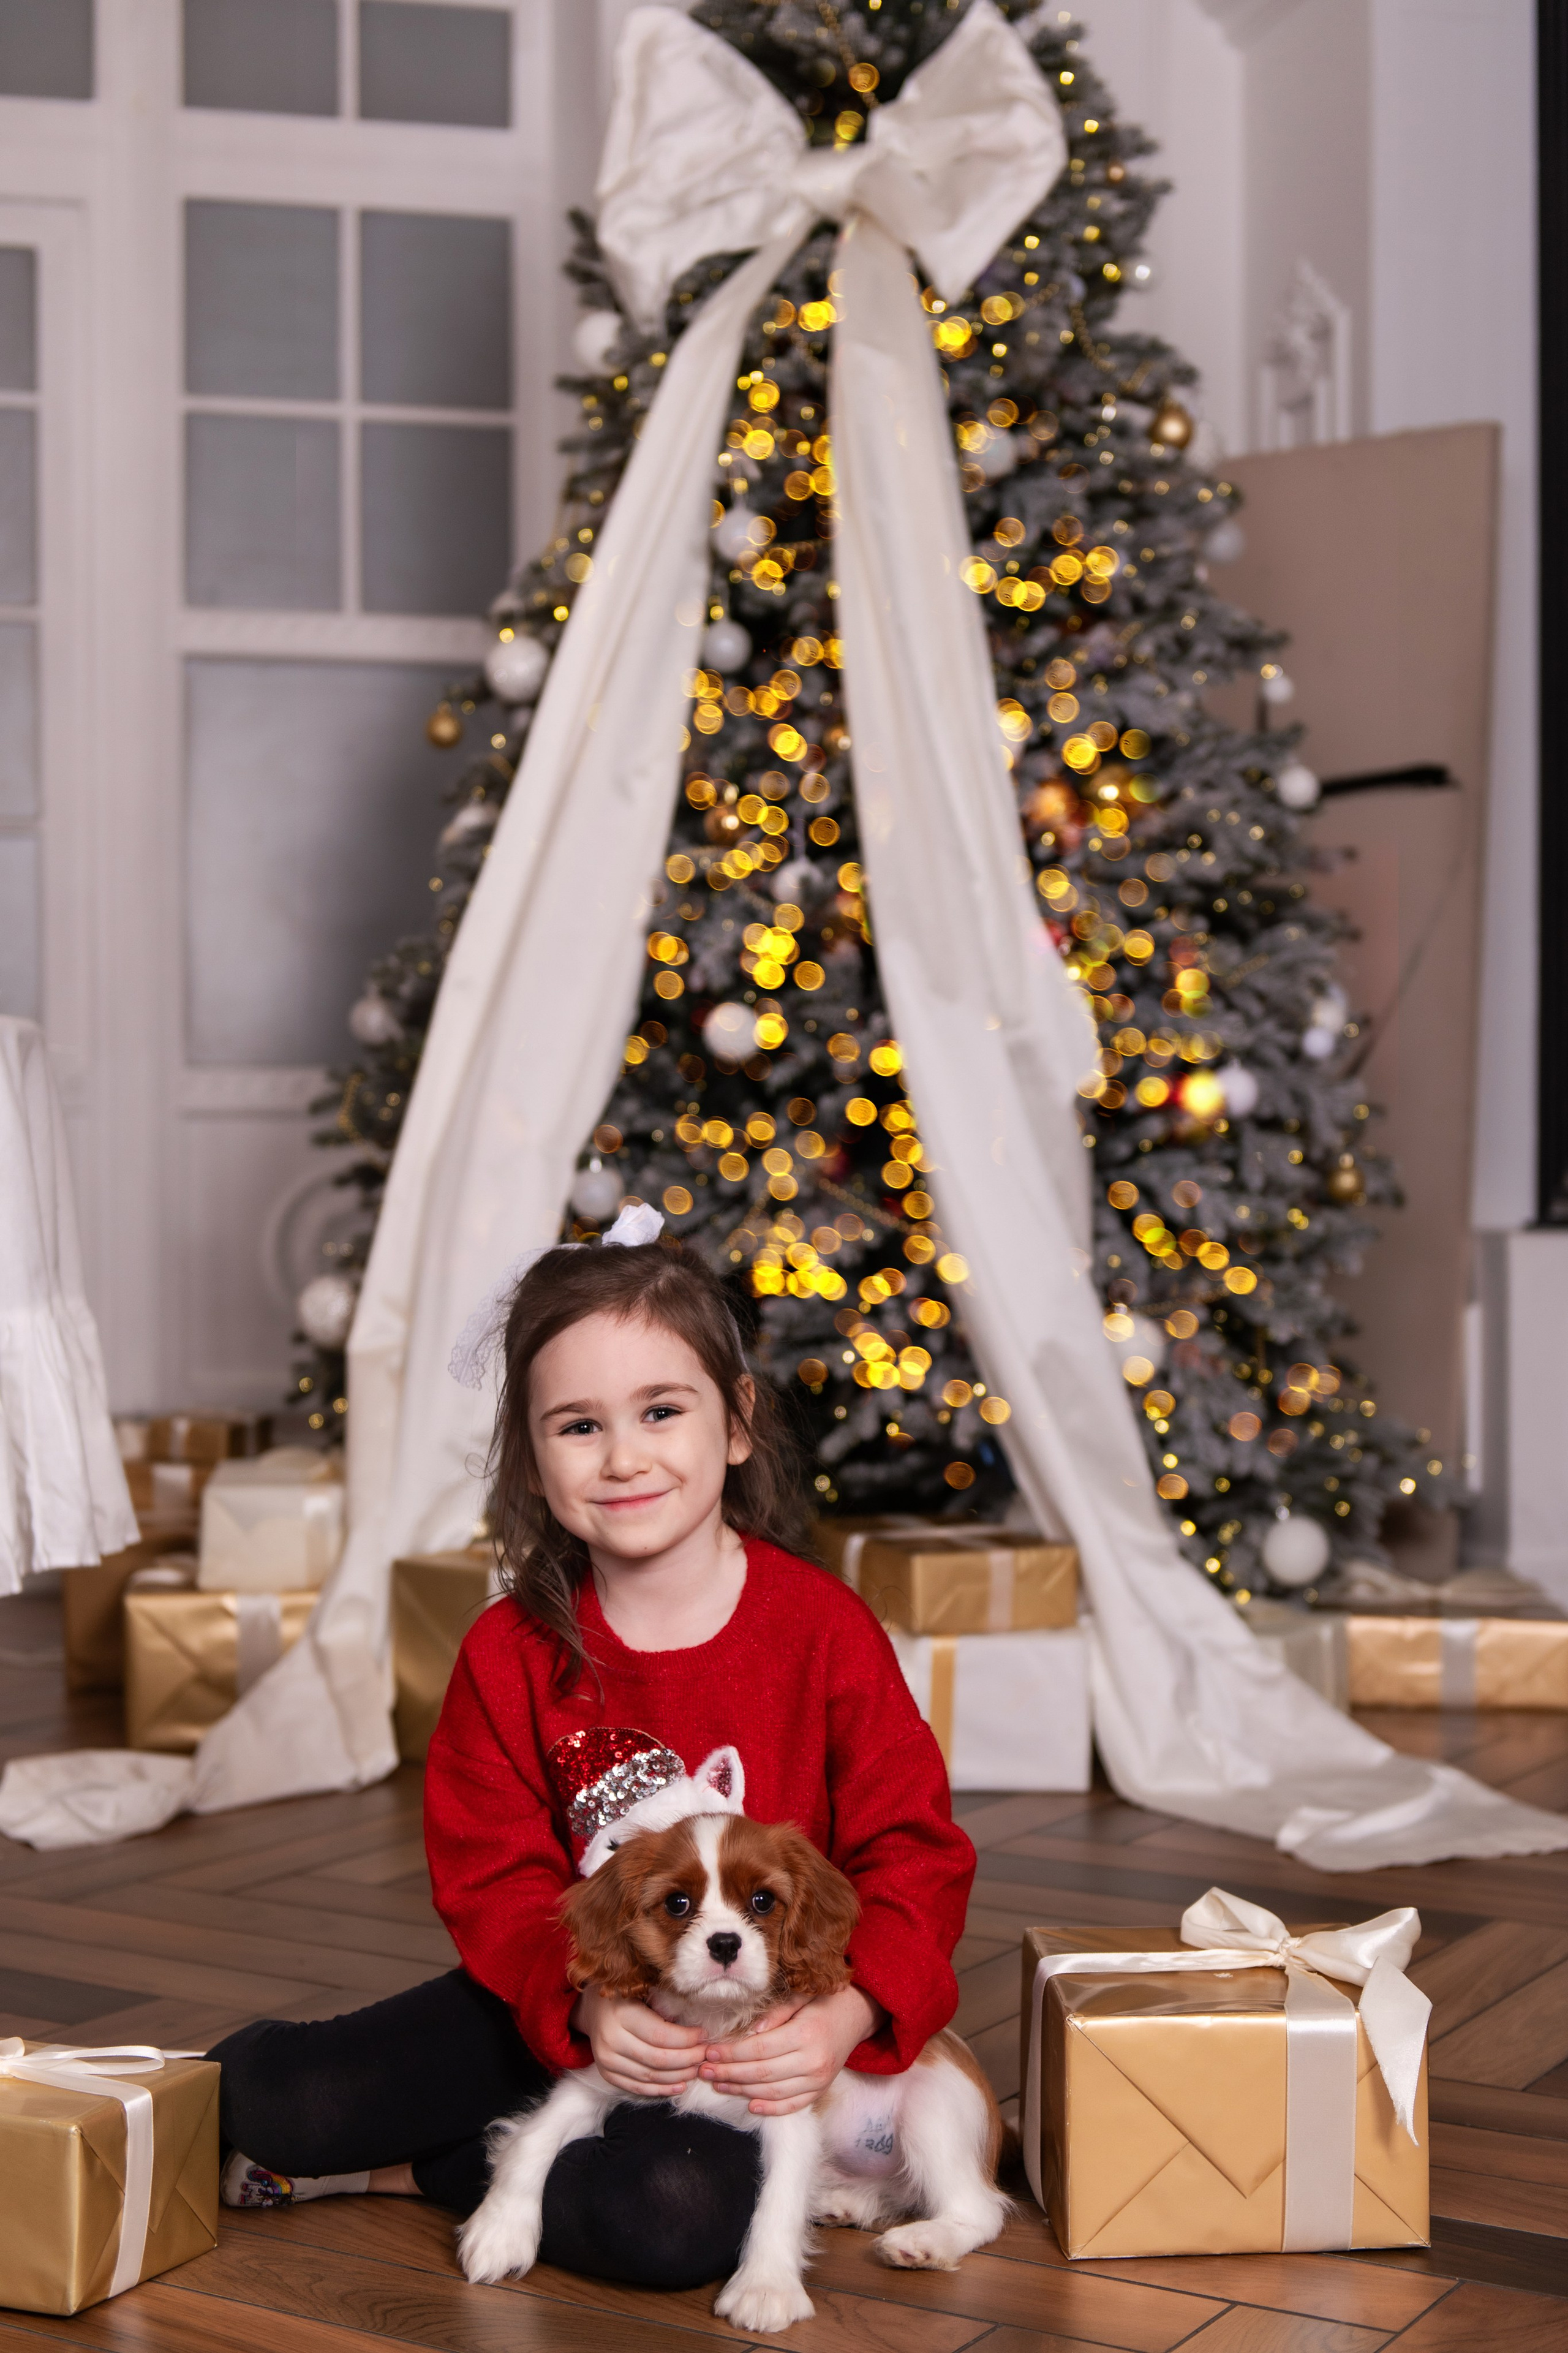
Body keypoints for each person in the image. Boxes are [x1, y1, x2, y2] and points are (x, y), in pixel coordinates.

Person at [211, 1216, 976, 2291]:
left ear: (736, 1422)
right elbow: (492, 1875)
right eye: (579, 1425)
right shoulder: (508, 1650)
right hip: (560, 2004)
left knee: (669, 2215)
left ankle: (418, 2170)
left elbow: (917, 1854)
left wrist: (846, 2016)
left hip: (747, 2042)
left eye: (661, 1410)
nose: (623, 1457)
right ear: (533, 1460)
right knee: (276, 2106)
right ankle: (323, 2117)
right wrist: (579, 2005)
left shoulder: (825, 1630)